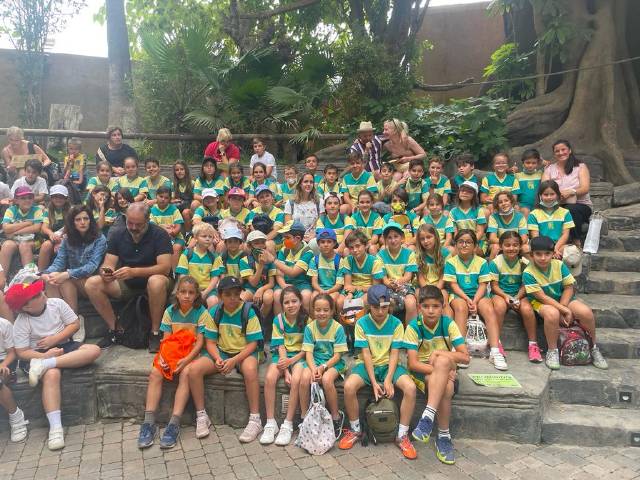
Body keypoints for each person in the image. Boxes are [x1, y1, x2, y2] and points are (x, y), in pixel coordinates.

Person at [7, 280, 101, 450]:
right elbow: (22, 352)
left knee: (93, 350)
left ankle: (46, 364)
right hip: (36, 354)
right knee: (52, 374)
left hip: (62, 345)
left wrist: (55, 340)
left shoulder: (56, 304)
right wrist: (44, 355)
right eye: (36, 295)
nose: (42, 294)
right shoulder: (22, 321)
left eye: (39, 291)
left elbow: (74, 324)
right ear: (26, 307)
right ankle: (56, 428)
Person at [338, 285, 417, 460]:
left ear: (390, 305)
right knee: (349, 386)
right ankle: (355, 430)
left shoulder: (396, 324)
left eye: (384, 307)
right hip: (368, 366)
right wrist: (374, 382)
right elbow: (366, 354)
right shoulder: (361, 323)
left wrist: (388, 379)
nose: (380, 311)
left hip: (390, 365)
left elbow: (395, 353)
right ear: (369, 306)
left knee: (411, 388)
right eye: (376, 307)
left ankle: (402, 435)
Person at [84, 202, 173, 353]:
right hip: (128, 283)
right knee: (92, 284)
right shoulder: (118, 234)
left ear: (147, 220)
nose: (133, 227)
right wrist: (106, 272)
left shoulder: (160, 234)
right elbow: (109, 262)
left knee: (155, 281)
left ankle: (155, 333)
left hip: (157, 281)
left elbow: (165, 268)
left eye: (138, 224)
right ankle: (115, 329)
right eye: (130, 223)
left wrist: (135, 272)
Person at [187, 276, 264, 443]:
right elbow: (210, 342)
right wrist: (217, 359)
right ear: (220, 295)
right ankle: (201, 415)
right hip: (222, 351)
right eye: (228, 294)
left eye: (236, 294)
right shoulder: (215, 312)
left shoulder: (248, 311)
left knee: (250, 370)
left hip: (244, 352)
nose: (233, 298)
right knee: (193, 370)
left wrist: (234, 361)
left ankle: (255, 419)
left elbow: (253, 344)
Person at [137, 275, 210, 449]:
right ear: (177, 294)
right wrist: (163, 358)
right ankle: (148, 422)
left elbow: (200, 343)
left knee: (185, 374)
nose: (187, 296)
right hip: (173, 352)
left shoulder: (202, 312)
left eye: (191, 292)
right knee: (155, 373)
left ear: (196, 295)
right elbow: (166, 340)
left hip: (192, 354)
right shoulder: (169, 311)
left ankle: (174, 424)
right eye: (183, 292)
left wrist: (185, 361)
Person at [523, 235, 608, 370]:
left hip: (562, 299)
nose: (543, 258)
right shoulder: (528, 272)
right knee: (552, 314)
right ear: (532, 255)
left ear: (553, 254)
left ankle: (593, 348)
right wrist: (563, 310)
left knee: (585, 312)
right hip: (540, 302)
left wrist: (563, 307)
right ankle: (552, 350)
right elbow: (542, 297)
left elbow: (569, 287)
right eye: (538, 254)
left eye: (547, 254)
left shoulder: (559, 265)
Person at [406, 286, 469, 465]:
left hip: (443, 369)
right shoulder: (413, 327)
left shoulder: (447, 323)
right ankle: (443, 436)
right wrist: (443, 370)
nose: (431, 311)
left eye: (435, 306)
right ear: (419, 308)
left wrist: (440, 353)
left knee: (443, 364)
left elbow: (465, 357)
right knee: (446, 384)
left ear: (443, 307)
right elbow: (412, 364)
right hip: (422, 371)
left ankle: (428, 416)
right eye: (426, 306)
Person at [444, 229, 507, 371]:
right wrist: (467, 299)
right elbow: (453, 285)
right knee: (461, 308)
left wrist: (475, 301)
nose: (464, 245)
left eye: (468, 242)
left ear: (475, 245)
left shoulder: (482, 262)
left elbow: (483, 285)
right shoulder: (451, 263)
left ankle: (495, 351)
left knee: (489, 309)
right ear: (456, 244)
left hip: (479, 295)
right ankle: (460, 350)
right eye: (461, 242)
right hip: (459, 295)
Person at [41, 204, 107, 341]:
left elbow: (92, 266)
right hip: (73, 280)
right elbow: (59, 262)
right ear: (72, 222)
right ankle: (61, 323)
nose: (82, 222)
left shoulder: (99, 239)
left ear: (91, 220)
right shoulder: (67, 239)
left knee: (65, 279)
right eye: (78, 219)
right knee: (52, 280)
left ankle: (74, 321)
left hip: (92, 282)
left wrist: (67, 274)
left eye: (86, 219)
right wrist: (47, 273)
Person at [260, 286, 307, 446]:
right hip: (282, 356)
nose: (291, 305)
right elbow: (280, 346)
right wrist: (286, 371)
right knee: (269, 378)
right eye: (286, 302)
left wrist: (291, 362)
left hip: (300, 356)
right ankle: (270, 423)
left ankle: (287, 424)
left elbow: (307, 348)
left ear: (300, 302)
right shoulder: (278, 320)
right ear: (281, 305)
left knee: (296, 380)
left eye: (294, 301)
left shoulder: (307, 320)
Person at [300, 293, 348, 438]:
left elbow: (338, 356)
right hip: (315, 361)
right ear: (313, 310)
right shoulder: (310, 328)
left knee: (327, 380)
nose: (321, 313)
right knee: (304, 379)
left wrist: (323, 368)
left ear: (332, 311)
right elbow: (308, 353)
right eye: (318, 310)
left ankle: (336, 417)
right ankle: (304, 417)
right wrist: (314, 369)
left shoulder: (338, 328)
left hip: (333, 363)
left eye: (326, 310)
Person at [489, 232, 540, 363]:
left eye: (515, 245)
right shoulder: (495, 263)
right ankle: (496, 342)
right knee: (499, 307)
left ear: (520, 246)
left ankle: (533, 344)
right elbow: (494, 286)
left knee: (527, 309)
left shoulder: (525, 263)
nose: (511, 248)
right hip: (500, 294)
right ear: (501, 246)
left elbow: (525, 286)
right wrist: (506, 297)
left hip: (519, 294)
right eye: (507, 245)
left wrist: (516, 298)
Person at [542, 140, 592, 244]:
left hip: (580, 205)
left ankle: (576, 241)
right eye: (557, 151)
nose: (561, 153)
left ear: (569, 150)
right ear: (554, 154)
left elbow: (585, 188)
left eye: (563, 149)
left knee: (569, 210)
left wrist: (571, 192)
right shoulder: (549, 169)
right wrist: (557, 195)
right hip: (555, 204)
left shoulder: (580, 167)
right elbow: (544, 187)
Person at [263, 221, 314, 314]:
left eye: (287, 237)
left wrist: (273, 260)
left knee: (306, 296)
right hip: (284, 282)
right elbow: (279, 273)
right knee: (277, 294)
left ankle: (304, 322)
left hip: (301, 283)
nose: (283, 239)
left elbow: (293, 272)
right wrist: (283, 285)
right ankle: (279, 322)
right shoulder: (284, 250)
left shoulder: (307, 252)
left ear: (297, 238)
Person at [378, 222, 419, 324]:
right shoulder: (380, 255)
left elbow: (408, 276)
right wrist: (390, 284)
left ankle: (411, 331)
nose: (393, 240)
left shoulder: (409, 254)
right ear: (385, 240)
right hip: (388, 286)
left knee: (411, 302)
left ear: (402, 238)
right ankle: (391, 330)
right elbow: (384, 278)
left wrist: (398, 282)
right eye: (389, 237)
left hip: (405, 285)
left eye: (396, 236)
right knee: (387, 302)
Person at [0, 186, 44, 273]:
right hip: (14, 240)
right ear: (16, 200)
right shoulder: (11, 210)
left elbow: (36, 228)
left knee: (24, 245)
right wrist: (27, 223)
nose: (27, 200)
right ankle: (2, 277)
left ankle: (30, 275)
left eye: (30, 198)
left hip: (34, 241)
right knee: (7, 245)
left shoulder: (37, 210)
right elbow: (6, 228)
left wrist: (14, 232)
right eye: (23, 198)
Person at [176, 222, 219, 308]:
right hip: (190, 289)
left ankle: (208, 317)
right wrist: (191, 291)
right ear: (195, 238)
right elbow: (182, 276)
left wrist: (205, 292)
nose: (207, 239)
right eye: (204, 236)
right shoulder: (187, 254)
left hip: (207, 290)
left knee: (213, 301)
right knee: (186, 298)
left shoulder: (214, 257)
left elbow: (215, 278)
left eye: (210, 237)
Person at [0, 314, 29, 443]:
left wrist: (3, 365)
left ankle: (16, 417)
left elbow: (12, 353)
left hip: (5, 361)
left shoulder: (4, 324)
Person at [528, 180, 574, 259]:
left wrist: (555, 249)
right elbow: (536, 238)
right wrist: (549, 251)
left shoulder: (565, 213)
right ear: (540, 196)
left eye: (552, 194)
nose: (549, 197)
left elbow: (565, 235)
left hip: (559, 246)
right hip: (541, 246)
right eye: (545, 194)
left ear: (557, 195)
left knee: (572, 251)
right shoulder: (533, 214)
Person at [415, 224, 451, 317]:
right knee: (418, 294)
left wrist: (436, 290)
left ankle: (447, 323)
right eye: (422, 239)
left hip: (440, 286)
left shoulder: (445, 253)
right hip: (424, 287)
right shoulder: (418, 255)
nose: (426, 241)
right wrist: (427, 291)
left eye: (429, 237)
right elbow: (420, 277)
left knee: (443, 296)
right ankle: (420, 324)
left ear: (436, 237)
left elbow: (443, 276)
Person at [38, 184, 71, 271]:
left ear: (66, 198)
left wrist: (61, 238)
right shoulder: (48, 211)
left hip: (68, 237)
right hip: (53, 237)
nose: (58, 199)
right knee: (46, 245)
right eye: (55, 196)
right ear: (51, 198)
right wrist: (51, 234)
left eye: (61, 197)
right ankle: (41, 272)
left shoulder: (71, 210)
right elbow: (44, 227)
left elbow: (71, 227)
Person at [283, 173, 324, 245]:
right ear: (300, 184)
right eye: (305, 181)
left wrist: (313, 235)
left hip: (314, 238)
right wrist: (299, 238)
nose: (309, 184)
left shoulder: (319, 202)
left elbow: (321, 224)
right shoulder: (290, 203)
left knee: (314, 243)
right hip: (296, 238)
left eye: (311, 182)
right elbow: (288, 226)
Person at [149, 186, 185, 269]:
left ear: (169, 199)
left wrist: (172, 232)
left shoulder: (174, 209)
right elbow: (153, 226)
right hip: (158, 238)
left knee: (176, 248)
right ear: (156, 196)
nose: (163, 199)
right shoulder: (152, 210)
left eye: (166, 198)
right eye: (161, 196)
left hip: (175, 237)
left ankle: (174, 272)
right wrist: (164, 229)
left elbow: (178, 226)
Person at [449, 181, 487, 256]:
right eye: (462, 191)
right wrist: (461, 243)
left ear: (474, 195)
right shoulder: (453, 212)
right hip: (460, 241)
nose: (464, 193)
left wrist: (470, 243)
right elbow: (455, 233)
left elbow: (480, 232)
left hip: (477, 242)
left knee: (472, 251)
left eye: (469, 192)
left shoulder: (479, 210)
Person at [487, 191, 529, 259]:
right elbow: (492, 238)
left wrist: (513, 244)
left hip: (516, 244)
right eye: (500, 202)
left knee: (526, 248)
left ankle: (530, 266)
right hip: (500, 244)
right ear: (497, 205)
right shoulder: (493, 217)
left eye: (506, 200)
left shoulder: (520, 217)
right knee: (495, 247)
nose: (503, 204)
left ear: (511, 202)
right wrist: (507, 244)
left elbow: (524, 238)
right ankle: (490, 266)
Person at [309, 228, 344, 308]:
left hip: (334, 290)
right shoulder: (314, 260)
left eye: (329, 242)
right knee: (313, 298)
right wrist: (320, 290)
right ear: (318, 244)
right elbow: (314, 282)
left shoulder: (339, 261)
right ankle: (312, 316)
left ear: (334, 243)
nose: (325, 244)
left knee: (330, 300)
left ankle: (332, 316)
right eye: (322, 242)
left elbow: (338, 285)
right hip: (319, 289)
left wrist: (328, 291)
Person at [351, 190, 384, 254]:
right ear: (358, 204)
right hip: (358, 244)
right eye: (362, 202)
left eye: (367, 202)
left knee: (372, 248)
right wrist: (361, 246)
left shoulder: (376, 217)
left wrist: (368, 244)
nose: (365, 205)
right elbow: (354, 236)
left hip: (372, 244)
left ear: (372, 203)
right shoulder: (354, 217)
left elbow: (375, 236)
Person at [516, 149, 543, 218]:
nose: (530, 165)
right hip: (523, 205)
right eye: (528, 163)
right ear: (523, 163)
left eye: (534, 163)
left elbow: (549, 166)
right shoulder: (517, 176)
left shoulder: (541, 174)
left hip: (538, 205)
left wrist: (542, 161)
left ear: (538, 163)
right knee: (526, 211)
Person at [172, 160, 194, 231]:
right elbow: (172, 198)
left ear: (186, 170)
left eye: (182, 169)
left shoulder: (192, 183)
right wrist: (173, 200)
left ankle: (188, 233)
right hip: (179, 206)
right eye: (177, 170)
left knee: (185, 212)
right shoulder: (173, 185)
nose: (179, 171)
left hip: (190, 208)